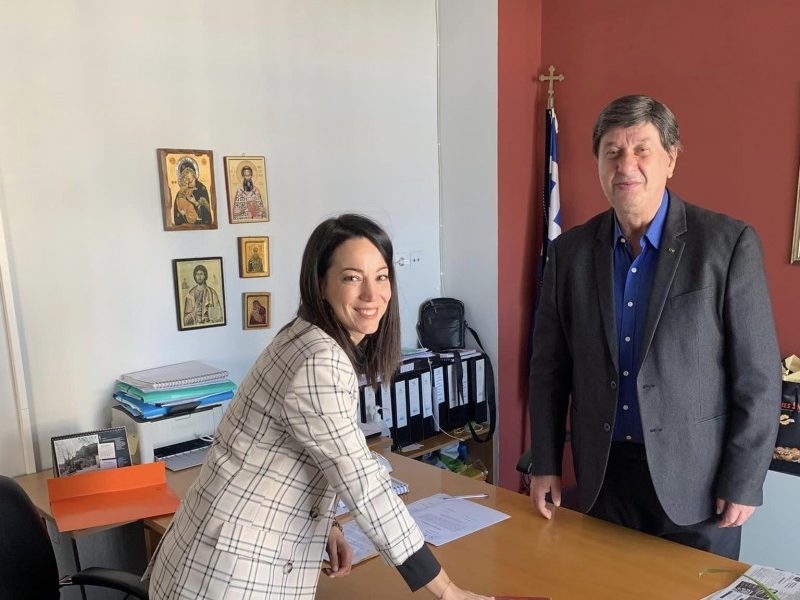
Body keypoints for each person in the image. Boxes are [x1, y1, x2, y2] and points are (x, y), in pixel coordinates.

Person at [148, 214, 491, 600]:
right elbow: (364, 486)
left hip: (210, 549)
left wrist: (328, 525)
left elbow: (294, 458)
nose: (372, 294)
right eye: (352, 277)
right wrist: (448, 590)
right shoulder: (320, 360)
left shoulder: (302, 335)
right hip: (229, 576)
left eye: (381, 277)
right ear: (321, 284)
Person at [528, 95, 781, 560]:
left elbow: (759, 379)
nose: (626, 165)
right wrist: (544, 461)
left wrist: (744, 479)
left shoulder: (727, 245)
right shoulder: (569, 254)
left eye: (642, 149)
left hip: (699, 486)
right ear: (598, 162)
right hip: (605, 480)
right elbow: (549, 370)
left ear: (671, 159)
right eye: (612, 152)